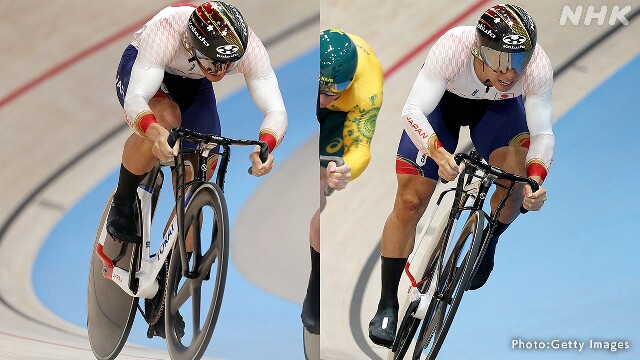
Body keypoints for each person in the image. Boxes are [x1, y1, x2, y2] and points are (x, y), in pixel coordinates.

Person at [368, 4, 554, 347]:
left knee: (515, 187)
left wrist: (536, 179)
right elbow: (412, 110)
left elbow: (542, 134)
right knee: (410, 201)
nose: (510, 73)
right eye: (501, 60)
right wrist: (438, 153)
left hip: (497, 112)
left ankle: (489, 240)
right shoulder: (453, 46)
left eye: (519, 61)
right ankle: (387, 303)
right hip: (444, 108)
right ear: (479, 49)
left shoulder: (537, 65)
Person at [106, 1, 287, 338]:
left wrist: (267, 146)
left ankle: (165, 281)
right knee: (166, 120)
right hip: (144, 68)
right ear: (193, 43)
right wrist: (154, 130)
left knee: (203, 165)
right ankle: (124, 200)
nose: (221, 72)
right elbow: (135, 102)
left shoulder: (247, 47)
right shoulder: (166, 30)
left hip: (192, 81)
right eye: (215, 63)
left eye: (227, 64)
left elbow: (275, 108)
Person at [301, 29, 383, 334]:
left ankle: (315, 285)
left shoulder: (367, 88)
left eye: (330, 92)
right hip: (330, 91)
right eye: (320, 91)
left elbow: (361, 149)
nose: (322, 100)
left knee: (323, 185)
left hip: (343, 114)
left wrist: (345, 170)